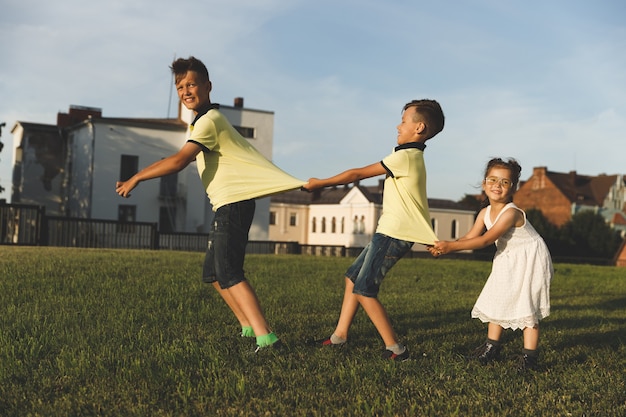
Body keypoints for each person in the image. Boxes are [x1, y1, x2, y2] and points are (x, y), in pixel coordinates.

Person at [115, 56, 305, 353]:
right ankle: (247, 327)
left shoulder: (209, 121)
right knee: (214, 274)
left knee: (229, 272)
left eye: (191, 84)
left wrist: (137, 177)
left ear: (207, 86)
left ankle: (268, 340)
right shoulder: (202, 122)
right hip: (227, 205)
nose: (185, 91)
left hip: (234, 203)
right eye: (180, 86)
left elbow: (178, 161)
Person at [303, 99, 445, 361]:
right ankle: (339, 337)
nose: (398, 125)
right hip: (389, 231)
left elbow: (356, 174)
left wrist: (320, 183)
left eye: (404, 121)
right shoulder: (410, 157)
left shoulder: (405, 157)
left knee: (364, 288)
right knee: (352, 278)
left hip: (393, 234)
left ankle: (396, 349)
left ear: (419, 127)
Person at [428, 158, 553, 371]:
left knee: (527, 305)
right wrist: (446, 245)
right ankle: (491, 349)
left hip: (530, 258)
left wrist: (451, 247)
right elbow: (471, 237)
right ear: (484, 184)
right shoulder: (484, 213)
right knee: (497, 297)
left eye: (505, 182)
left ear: (513, 187)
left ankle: (529, 359)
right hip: (508, 257)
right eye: (493, 180)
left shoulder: (511, 213)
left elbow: (486, 240)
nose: (497, 185)